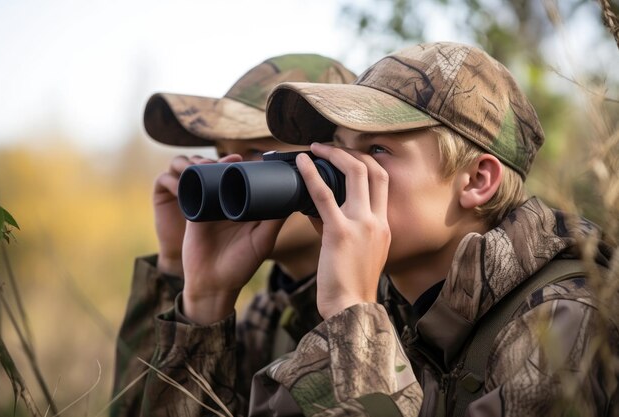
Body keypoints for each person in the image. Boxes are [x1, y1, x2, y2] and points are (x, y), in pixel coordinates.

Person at [242, 41, 617, 416]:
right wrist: (206, 303)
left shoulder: (568, 318)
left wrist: (352, 315)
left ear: (476, 180)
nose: (344, 171)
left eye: (375, 150)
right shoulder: (395, 308)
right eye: (337, 147)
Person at [110, 53, 356, 417]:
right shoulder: (265, 318)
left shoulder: (387, 306)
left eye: (256, 152)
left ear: (338, 164)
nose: (229, 175)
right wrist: (179, 273)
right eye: (222, 154)